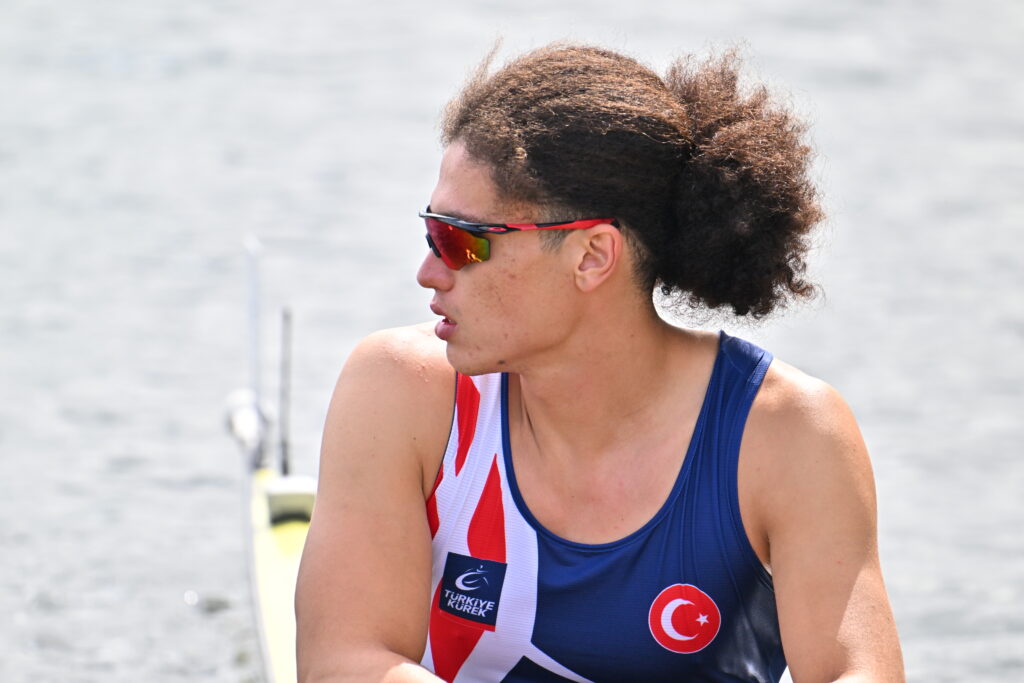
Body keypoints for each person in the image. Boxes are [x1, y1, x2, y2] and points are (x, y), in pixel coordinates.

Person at [295, 44, 904, 682]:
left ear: (591, 255)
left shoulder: (790, 433)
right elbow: (345, 662)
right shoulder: (403, 391)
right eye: (431, 231)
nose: (428, 271)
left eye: (461, 240)